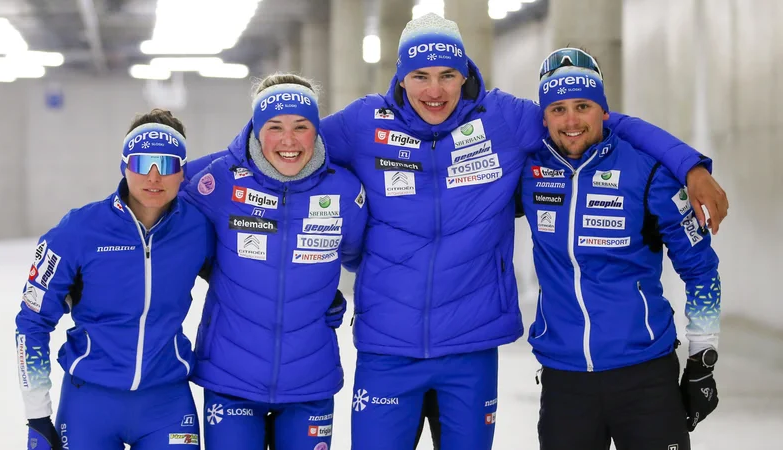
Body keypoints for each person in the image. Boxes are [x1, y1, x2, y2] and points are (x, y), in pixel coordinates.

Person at [317, 14, 728, 449]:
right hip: (395, 342)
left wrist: (688, 164)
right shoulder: (364, 124)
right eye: (419, 76)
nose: (434, 91)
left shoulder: (503, 119)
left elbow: (594, 123)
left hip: (485, 344)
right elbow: (292, 149)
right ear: (400, 79)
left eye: (446, 75)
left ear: (465, 74)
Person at [518, 48, 721, 450]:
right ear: (544, 117)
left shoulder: (649, 173)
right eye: (557, 109)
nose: (572, 120)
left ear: (604, 111)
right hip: (565, 382)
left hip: (645, 379)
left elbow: (701, 270)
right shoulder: (528, 172)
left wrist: (702, 360)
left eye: (583, 106)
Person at [181, 73, 367, 450]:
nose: (288, 140)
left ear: (316, 130)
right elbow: (156, 210)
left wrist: (323, 291)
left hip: (309, 379)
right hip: (230, 376)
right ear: (255, 128)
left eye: (301, 127)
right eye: (275, 127)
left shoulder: (344, 190)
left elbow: (357, 255)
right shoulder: (217, 178)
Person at [15, 109, 214, 449]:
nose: (154, 176)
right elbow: (32, 321)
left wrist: (318, 294)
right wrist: (37, 415)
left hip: (166, 402)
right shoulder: (78, 230)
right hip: (89, 403)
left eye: (166, 165)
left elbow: (245, 283)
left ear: (182, 172)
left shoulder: (198, 230)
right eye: (142, 163)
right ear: (125, 166)